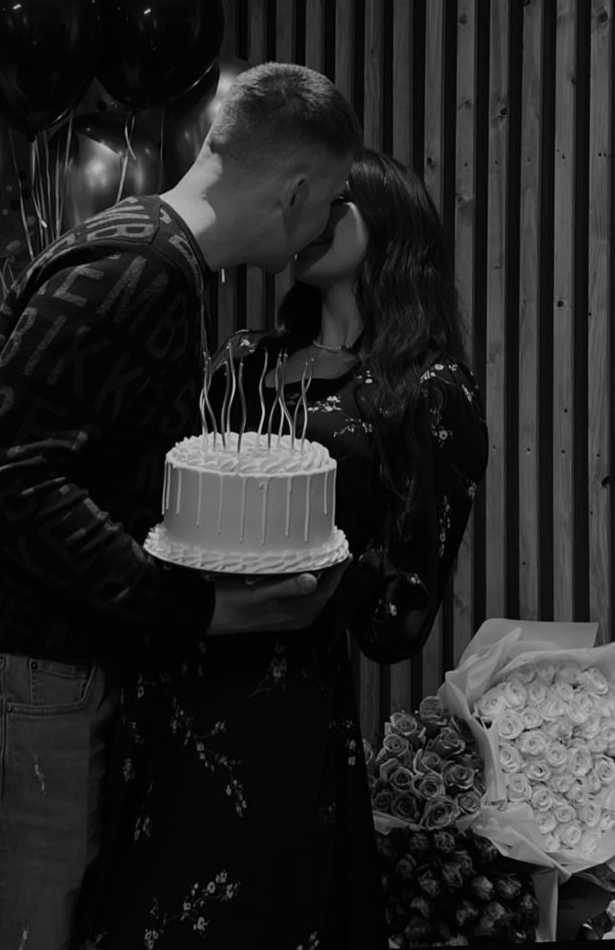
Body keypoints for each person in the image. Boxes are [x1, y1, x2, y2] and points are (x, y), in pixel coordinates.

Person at [0, 62, 361, 950]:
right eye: (330, 203)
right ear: (295, 192)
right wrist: (198, 608)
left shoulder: (149, 251)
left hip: (31, 677)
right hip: (17, 677)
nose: (324, 228)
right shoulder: (142, 266)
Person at [79, 149, 489, 949]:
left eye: (334, 205)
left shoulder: (429, 388)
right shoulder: (242, 361)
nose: (306, 220)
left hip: (280, 709)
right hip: (168, 674)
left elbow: (398, 613)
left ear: (389, 221)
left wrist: (301, 575)